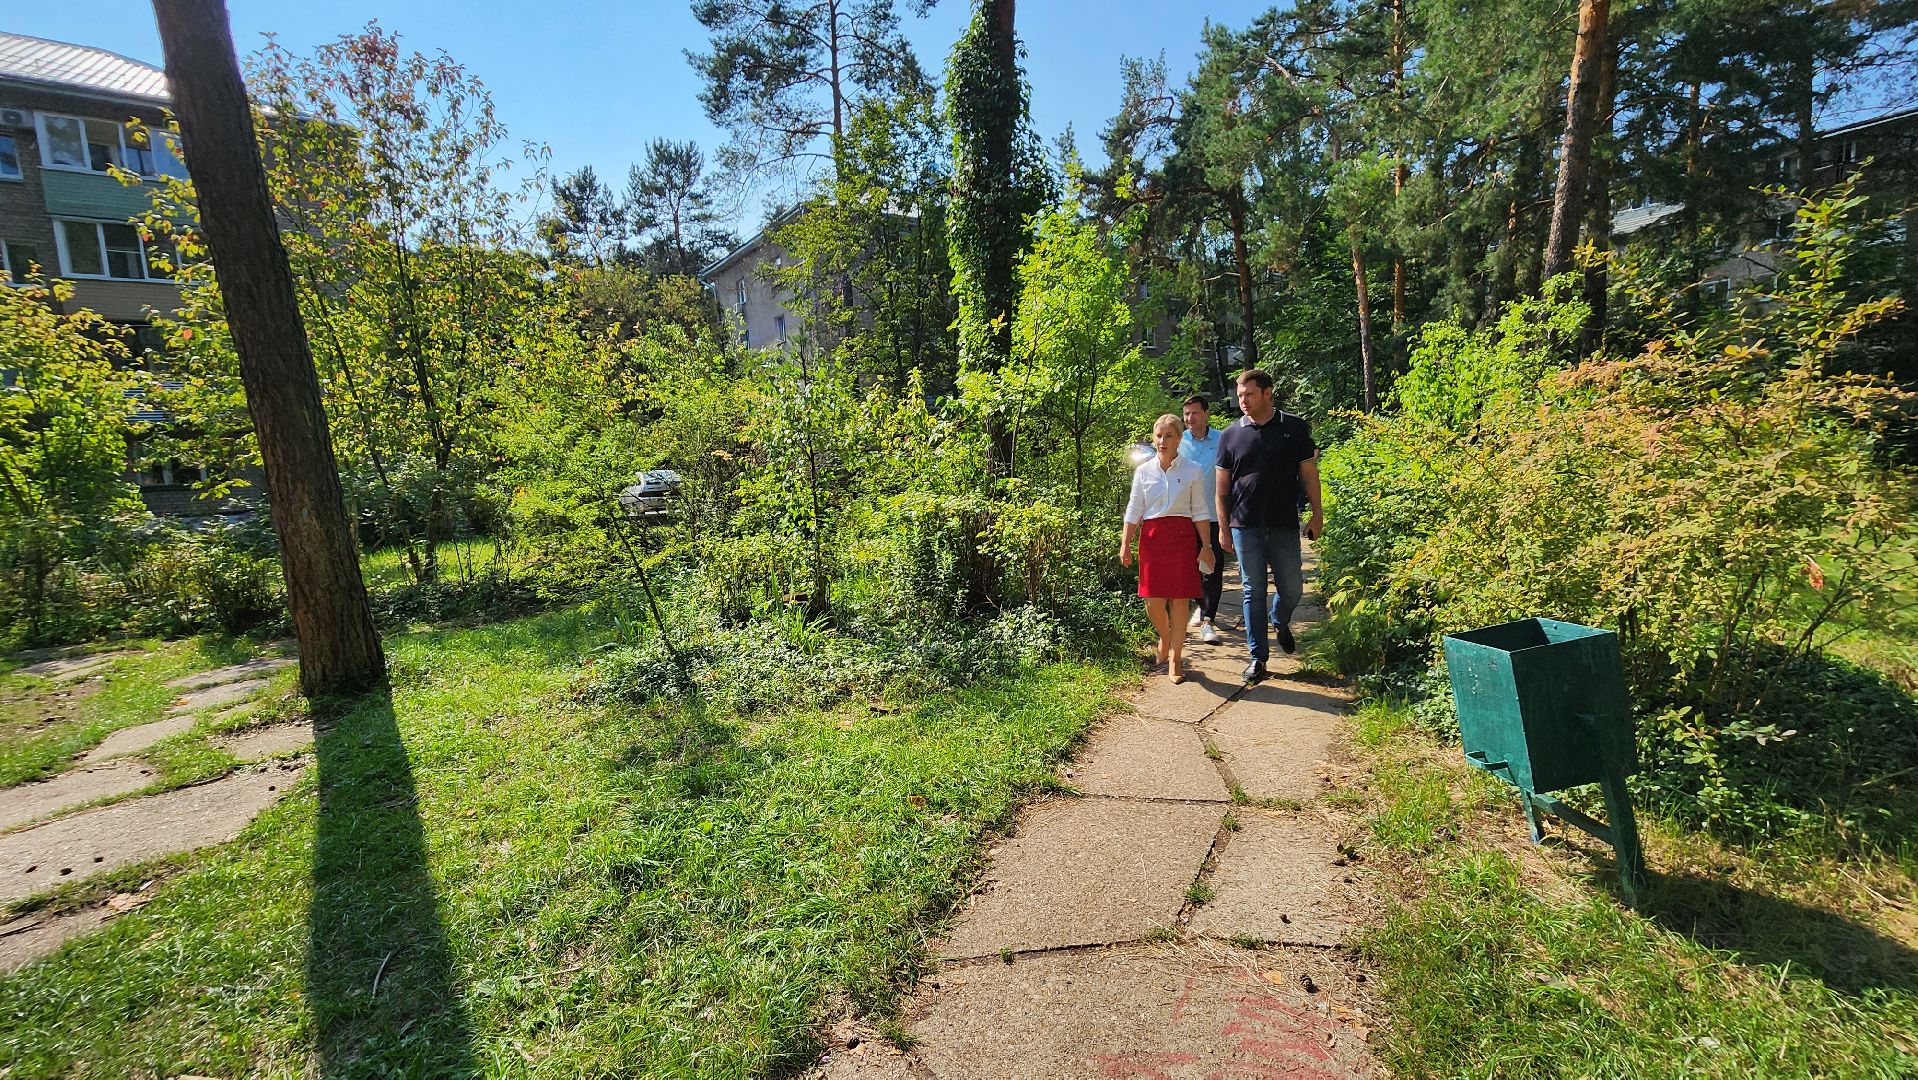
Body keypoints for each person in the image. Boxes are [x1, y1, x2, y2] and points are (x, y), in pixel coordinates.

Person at [1215, 369, 1323, 684]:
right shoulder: (1230, 435)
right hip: (1244, 525)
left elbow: (1308, 474)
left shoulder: (1293, 427)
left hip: (1284, 524)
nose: (1243, 401)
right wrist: (1223, 526)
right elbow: (1221, 487)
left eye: (1249, 394)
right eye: (1239, 396)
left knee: (1292, 588)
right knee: (1252, 590)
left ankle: (1281, 619)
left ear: (1267, 392)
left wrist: (1317, 514)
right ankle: (1257, 657)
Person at [1119, 414, 1218, 684]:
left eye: (1169, 436)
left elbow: (1200, 510)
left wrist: (1206, 546)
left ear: (1179, 438)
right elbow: (1134, 508)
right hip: (1152, 538)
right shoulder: (1143, 471)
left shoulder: (1192, 470)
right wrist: (1126, 542)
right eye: (1159, 435)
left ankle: (1175, 657)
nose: (1163, 441)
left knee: (1179, 600)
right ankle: (1165, 637)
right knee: (1152, 601)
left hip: (1182, 537)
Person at [1179, 394, 1225, 645]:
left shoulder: (1221, 440)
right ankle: (1201, 605)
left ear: (1206, 413)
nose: (1189, 418)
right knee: (1190, 567)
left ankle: (1209, 619)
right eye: (1186, 413)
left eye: (1194, 413)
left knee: (1211, 567)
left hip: (1212, 515)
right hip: (1184, 517)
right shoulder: (1179, 441)